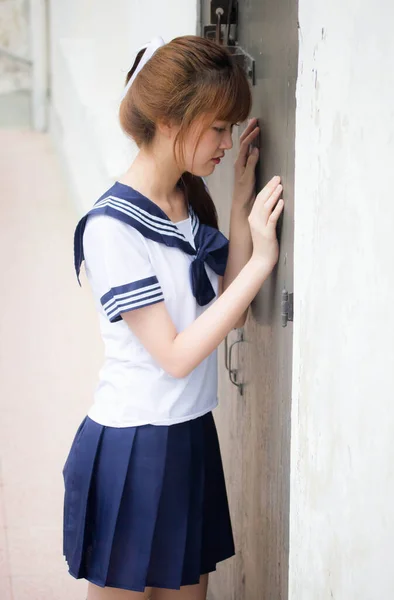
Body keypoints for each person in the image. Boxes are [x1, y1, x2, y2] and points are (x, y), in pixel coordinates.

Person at [63, 35, 284, 600]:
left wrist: (238, 203)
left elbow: (225, 314)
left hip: (189, 436)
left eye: (231, 129)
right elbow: (178, 354)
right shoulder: (112, 227)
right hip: (135, 445)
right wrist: (262, 261)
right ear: (168, 119)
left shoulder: (186, 203)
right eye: (217, 128)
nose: (227, 141)